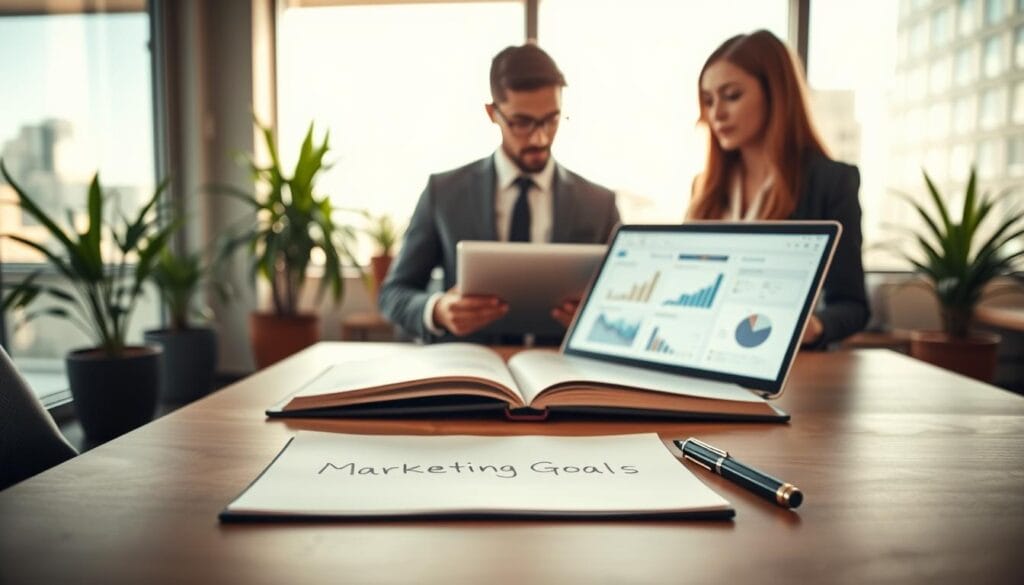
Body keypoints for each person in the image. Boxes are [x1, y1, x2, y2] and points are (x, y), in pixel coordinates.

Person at [379, 43, 621, 343]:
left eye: (551, 119)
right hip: (471, 375)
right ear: (492, 112)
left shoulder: (599, 204)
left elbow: (627, 303)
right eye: (522, 122)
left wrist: (597, 316)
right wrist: (439, 309)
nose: (540, 137)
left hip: (562, 375)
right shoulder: (444, 193)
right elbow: (394, 294)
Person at [688, 30, 869, 348]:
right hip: (707, 349)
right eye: (708, 100)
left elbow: (853, 306)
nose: (716, 114)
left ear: (775, 94)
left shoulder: (831, 182)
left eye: (731, 96)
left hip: (787, 362)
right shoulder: (704, 189)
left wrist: (812, 326)